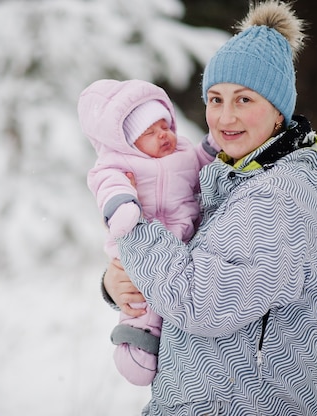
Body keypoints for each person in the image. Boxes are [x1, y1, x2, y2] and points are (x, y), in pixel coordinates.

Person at [102, 1, 317, 415]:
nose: (225, 117)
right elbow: (188, 262)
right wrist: (118, 283)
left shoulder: (279, 196)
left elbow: (198, 302)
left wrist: (131, 227)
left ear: (279, 112)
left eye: (244, 99)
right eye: (215, 99)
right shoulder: (232, 180)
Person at [78, 79, 218, 386]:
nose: (163, 135)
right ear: (129, 141)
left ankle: (164, 344)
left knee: (169, 301)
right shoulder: (116, 164)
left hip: (181, 244)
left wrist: (212, 146)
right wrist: (123, 205)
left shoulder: (182, 151)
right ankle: (137, 337)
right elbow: (109, 186)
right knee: (139, 297)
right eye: (149, 132)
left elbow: (201, 162)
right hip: (139, 248)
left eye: (164, 126)